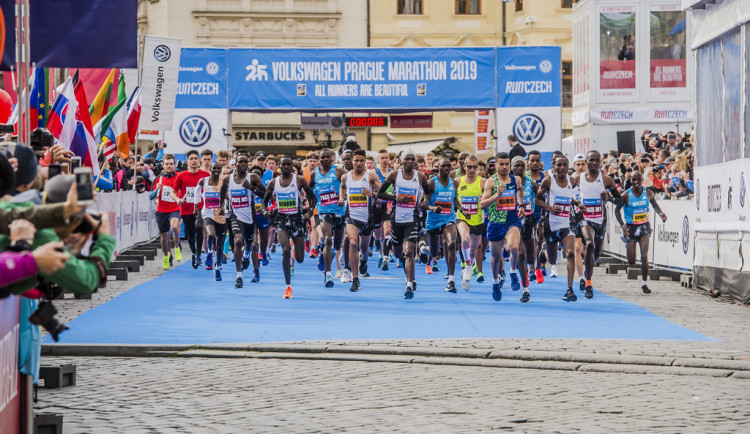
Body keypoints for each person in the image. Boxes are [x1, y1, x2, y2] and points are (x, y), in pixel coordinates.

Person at [377, 149, 430, 299]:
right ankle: (409, 275)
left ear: (415, 162)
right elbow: (380, 194)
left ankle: (408, 285)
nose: (410, 162)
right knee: (399, 253)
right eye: (407, 159)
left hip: (412, 219)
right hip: (396, 219)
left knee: (410, 251)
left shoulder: (420, 177)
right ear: (401, 160)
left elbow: (427, 193)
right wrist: (396, 199)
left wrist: (424, 201)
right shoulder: (394, 175)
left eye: (412, 159)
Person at [262, 157, 316, 299]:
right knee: (285, 249)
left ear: (292, 166)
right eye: (283, 164)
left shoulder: (299, 180)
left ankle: (296, 254)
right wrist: (265, 211)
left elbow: (313, 198)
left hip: (297, 219)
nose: (286, 167)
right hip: (281, 219)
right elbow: (264, 202)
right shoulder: (274, 183)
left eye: (288, 164)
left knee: (299, 259)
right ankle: (287, 286)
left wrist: (309, 213)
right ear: (279, 167)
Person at [572, 150, 622, 299]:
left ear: (600, 162)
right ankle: (588, 283)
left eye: (596, 160)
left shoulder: (607, 180)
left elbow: (620, 201)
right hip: (585, 219)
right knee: (589, 243)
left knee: (596, 253)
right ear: (586, 161)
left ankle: (588, 270)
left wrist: (609, 197)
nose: (593, 163)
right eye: (591, 160)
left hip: (601, 219)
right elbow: (567, 194)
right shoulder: (577, 179)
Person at [536, 156, 583, 302]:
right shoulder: (548, 180)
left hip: (566, 224)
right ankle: (544, 253)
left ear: (568, 166)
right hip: (551, 224)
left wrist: (577, 204)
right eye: (559, 165)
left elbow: (569, 197)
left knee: (570, 253)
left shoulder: (572, 180)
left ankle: (569, 289)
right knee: (552, 259)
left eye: (564, 165)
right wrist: (549, 208)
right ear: (554, 166)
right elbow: (537, 199)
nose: (562, 168)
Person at [481, 152, 525, 302]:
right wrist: (496, 196)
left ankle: (513, 272)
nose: (505, 167)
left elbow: (520, 190)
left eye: (507, 164)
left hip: (512, 220)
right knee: (495, 256)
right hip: (495, 223)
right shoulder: (490, 182)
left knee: (514, 247)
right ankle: (495, 283)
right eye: (502, 164)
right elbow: (482, 205)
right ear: (496, 165)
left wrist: (521, 206)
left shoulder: (516, 179)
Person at [615, 171, 667, 294]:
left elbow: (655, 205)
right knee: (631, 261)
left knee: (644, 255)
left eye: (639, 179)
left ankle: (644, 284)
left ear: (642, 179)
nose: (636, 182)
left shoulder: (648, 193)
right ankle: (631, 255)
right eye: (634, 180)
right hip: (630, 228)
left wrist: (661, 214)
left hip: (644, 226)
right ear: (631, 180)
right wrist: (622, 224)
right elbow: (617, 210)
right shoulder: (625, 195)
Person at [338, 149, 381, 292]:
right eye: (356, 160)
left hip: (367, 218)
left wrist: (372, 194)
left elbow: (382, 194)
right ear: (352, 161)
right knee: (352, 242)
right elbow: (343, 187)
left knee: (363, 249)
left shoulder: (371, 176)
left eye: (361, 160)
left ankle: (364, 260)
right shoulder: (346, 177)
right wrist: (341, 198)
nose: (358, 163)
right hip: (351, 216)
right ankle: (355, 279)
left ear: (365, 162)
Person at [223, 155, 266, 288]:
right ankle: (239, 276)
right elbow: (221, 193)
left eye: (245, 162)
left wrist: (250, 188)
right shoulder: (228, 179)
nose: (242, 164)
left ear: (248, 164)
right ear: (235, 164)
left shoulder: (253, 178)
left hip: (250, 218)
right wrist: (220, 205)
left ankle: (247, 255)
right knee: (237, 240)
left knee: (251, 246)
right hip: (235, 216)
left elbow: (266, 195)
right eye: (239, 162)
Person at [310, 148, 347, 288]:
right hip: (323, 210)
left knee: (337, 245)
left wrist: (343, 197)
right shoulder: (315, 173)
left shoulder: (338, 171)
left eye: (327, 157)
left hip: (339, 210)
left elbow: (348, 185)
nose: (325, 159)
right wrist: (309, 201)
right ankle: (328, 273)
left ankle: (324, 253)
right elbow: (309, 189)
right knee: (327, 239)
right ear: (320, 159)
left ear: (332, 158)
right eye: (323, 157)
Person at [423, 158, 460, 293]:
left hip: (448, 219)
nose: (445, 168)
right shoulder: (431, 183)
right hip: (433, 221)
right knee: (434, 253)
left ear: (451, 168)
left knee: (451, 243)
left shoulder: (454, 183)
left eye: (448, 166)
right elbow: (423, 203)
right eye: (443, 166)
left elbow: (454, 199)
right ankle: (424, 249)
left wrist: (462, 209)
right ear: (438, 167)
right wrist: (433, 208)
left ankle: (451, 279)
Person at [170, 150, 210, 268]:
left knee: (199, 227)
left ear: (199, 160)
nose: (193, 161)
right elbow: (172, 192)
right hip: (186, 209)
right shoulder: (181, 175)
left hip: (201, 207)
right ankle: (194, 252)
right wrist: (177, 199)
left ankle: (198, 254)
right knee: (190, 234)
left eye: (195, 158)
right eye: (191, 159)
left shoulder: (206, 175)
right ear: (187, 161)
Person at [455, 155, 487, 289]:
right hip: (462, 218)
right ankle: (467, 266)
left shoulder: (483, 182)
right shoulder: (457, 181)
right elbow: (452, 199)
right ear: (464, 167)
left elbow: (490, 198)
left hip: (477, 220)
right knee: (465, 239)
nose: (472, 170)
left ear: (478, 167)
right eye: (469, 167)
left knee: (473, 250)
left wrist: (484, 197)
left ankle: (468, 266)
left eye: (474, 167)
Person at [197, 162, 228, 281]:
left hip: (221, 214)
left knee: (220, 243)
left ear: (220, 170)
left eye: (218, 168)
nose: (216, 170)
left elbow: (228, 195)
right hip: (208, 212)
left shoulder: (224, 182)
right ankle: (209, 252)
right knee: (211, 234)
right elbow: (197, 190)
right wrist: (196, 204)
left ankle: (218, 268)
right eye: (214, 168)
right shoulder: (204, 181)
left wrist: (226, 197)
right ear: (210, 169)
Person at [150, 154, 182, 269]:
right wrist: (157, 189)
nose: (169, 166)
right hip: (161, 210)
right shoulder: (158, 179)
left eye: (171, 164)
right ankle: (166, 256)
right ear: (163, 165)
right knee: (164, 237)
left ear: (174, 165)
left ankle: (177, 247)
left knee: (174, 227)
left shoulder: (179, 176)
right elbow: (150, 196)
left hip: (175, 208)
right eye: (167, 164)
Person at [514, 156, 538, 302]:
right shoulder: (508, 183)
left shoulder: (531, 183)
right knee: (520, 253)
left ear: (526, 168)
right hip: (513, 221)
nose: (519, 168)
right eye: (516, 166)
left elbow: (541, 197)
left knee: (529, 254)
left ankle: (531, 268)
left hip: (529, 220)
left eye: (522, 166)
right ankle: (525, 289)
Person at [526, 150, 546, 283]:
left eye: (537, 160)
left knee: (540, 239)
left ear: (540, 162)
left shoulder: (545, 177)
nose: (534, 163)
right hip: (528, 213)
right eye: (532, 160)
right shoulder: (524, 177)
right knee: (532, 240)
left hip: (541, 213)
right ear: (528, 162)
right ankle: (531, 269)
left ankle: (539, 266)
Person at [373, 149, 393, 271]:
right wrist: (375, 197)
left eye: (386, 158)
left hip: (388, 206)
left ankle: (385, 258)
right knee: (378, 233)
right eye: (382, 158)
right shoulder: (373, 173)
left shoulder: (393, 173)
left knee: (387, 232)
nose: (385, 160)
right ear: (378, 160)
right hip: (376, 206)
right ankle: (379, 249)